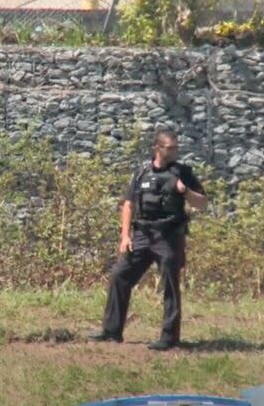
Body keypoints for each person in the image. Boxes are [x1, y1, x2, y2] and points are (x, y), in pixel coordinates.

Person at [89, 130, 208, 351]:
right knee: (120, 275)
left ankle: (169, 338)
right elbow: (128, 204)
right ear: (157, 148)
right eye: (170, 148)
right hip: (142, 235)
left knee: (170, 285)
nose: (174, 152)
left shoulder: (183, 172)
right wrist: (125, 236)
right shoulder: (142, 171)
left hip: (169, 235)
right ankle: (111, 331)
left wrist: (186, 192)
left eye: (176, 148)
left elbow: (202, 204)